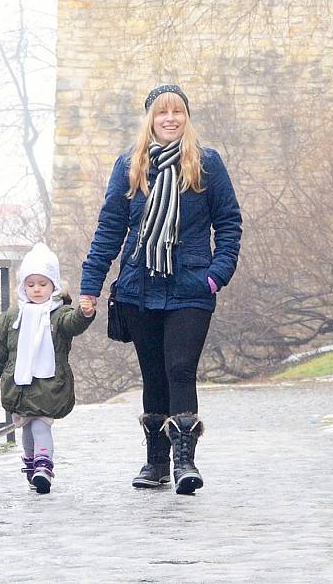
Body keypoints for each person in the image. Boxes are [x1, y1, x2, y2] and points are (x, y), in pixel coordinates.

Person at [79, 84, 242, 495]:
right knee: (153, 374)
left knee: (180, 369)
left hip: (190, 286)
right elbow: (110, 229)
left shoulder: (206, 164)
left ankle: (185, 461)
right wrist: (90, 287)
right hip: (139, 287)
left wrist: (216, 274)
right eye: (162, 113)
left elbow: (229, 222)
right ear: (149, 118)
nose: (170, 119)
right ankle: (156, 463)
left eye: (178, 112)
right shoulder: (129, 166)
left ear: (187, 118)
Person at [0, 242, 95, 494]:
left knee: (41, 425)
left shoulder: (59, 313)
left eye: (42, 284)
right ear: (22, 286)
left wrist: (84, 314)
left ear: (54, 285)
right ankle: (32, 465)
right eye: (30, 284)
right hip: (19, 383)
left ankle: (44, 466)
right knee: (26, 428)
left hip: (48, 384)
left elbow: (72, 324)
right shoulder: (13, 315)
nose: (36, 290)